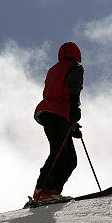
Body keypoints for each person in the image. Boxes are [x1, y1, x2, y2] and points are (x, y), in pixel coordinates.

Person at [30, 42, 84, 204]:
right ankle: (42, 191)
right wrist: (74, 112)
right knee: (61, 154)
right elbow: (73, 89)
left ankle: (51, 191)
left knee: (65, 156)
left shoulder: (53, 69)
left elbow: (53, 91)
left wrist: (71, 123)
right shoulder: (75, 66)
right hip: (59, 112)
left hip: (47, 112)